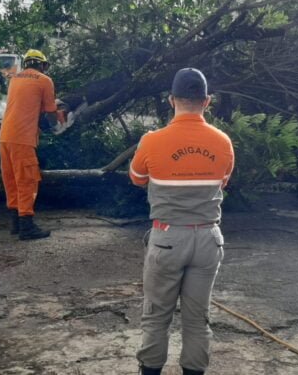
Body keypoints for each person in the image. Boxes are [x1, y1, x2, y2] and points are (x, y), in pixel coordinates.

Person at [129, 68, 235, 375]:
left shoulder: (152, 141)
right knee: (197, 318)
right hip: (207, 241)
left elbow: (137, 179)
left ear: (171, 100)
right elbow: (222, 182)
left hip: (166, 239)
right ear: (207, 101)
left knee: (156, 317)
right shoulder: (223, 142)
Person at [0, 49, 71, 241]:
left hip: (5, 137)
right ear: (41, 65)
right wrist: (57, 125)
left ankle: (15, 222)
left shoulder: (15, 79)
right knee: (27, 180)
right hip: (22, 138)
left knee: (12, 180)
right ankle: (27, 226)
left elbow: (27, 105)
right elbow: (49, 113)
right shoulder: (44, 80)